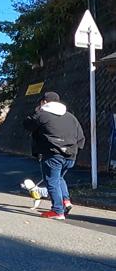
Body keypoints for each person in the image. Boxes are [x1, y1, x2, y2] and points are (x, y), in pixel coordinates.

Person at [23, 91, 85, 220]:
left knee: (51, 181)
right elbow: (80, 137)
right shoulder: (70, 116)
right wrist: (73, 149)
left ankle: (57, 211)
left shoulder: (42, 115)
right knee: (59, 178)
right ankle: (65, 201)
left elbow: (27, 124)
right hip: (71, 154)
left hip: (52, 154)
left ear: (44, 102)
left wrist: (37, 111)